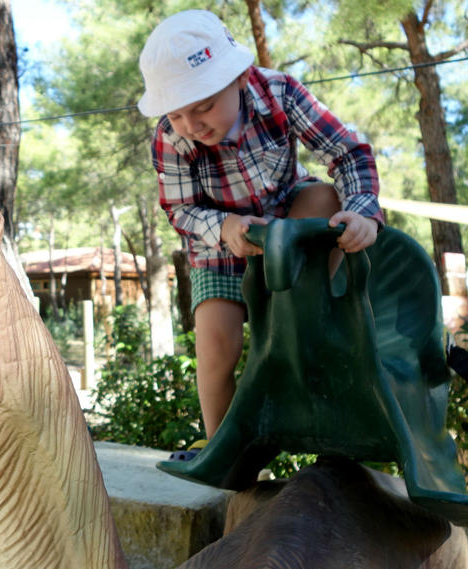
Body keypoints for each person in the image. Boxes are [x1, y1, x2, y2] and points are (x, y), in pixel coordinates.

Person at [137, 9, 384, 452]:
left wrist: (363, 211)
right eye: (176, 114)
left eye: (204, 106)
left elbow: (348, 153)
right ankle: (225, 453)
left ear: (237, 77)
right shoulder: (170, 139)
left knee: (327, 200)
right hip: (222, 243)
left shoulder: (279, 94)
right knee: (216, 350)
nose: (192, 125)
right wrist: (224, 225)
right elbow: (181, 210)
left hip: (287, 214)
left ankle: (301, 318)